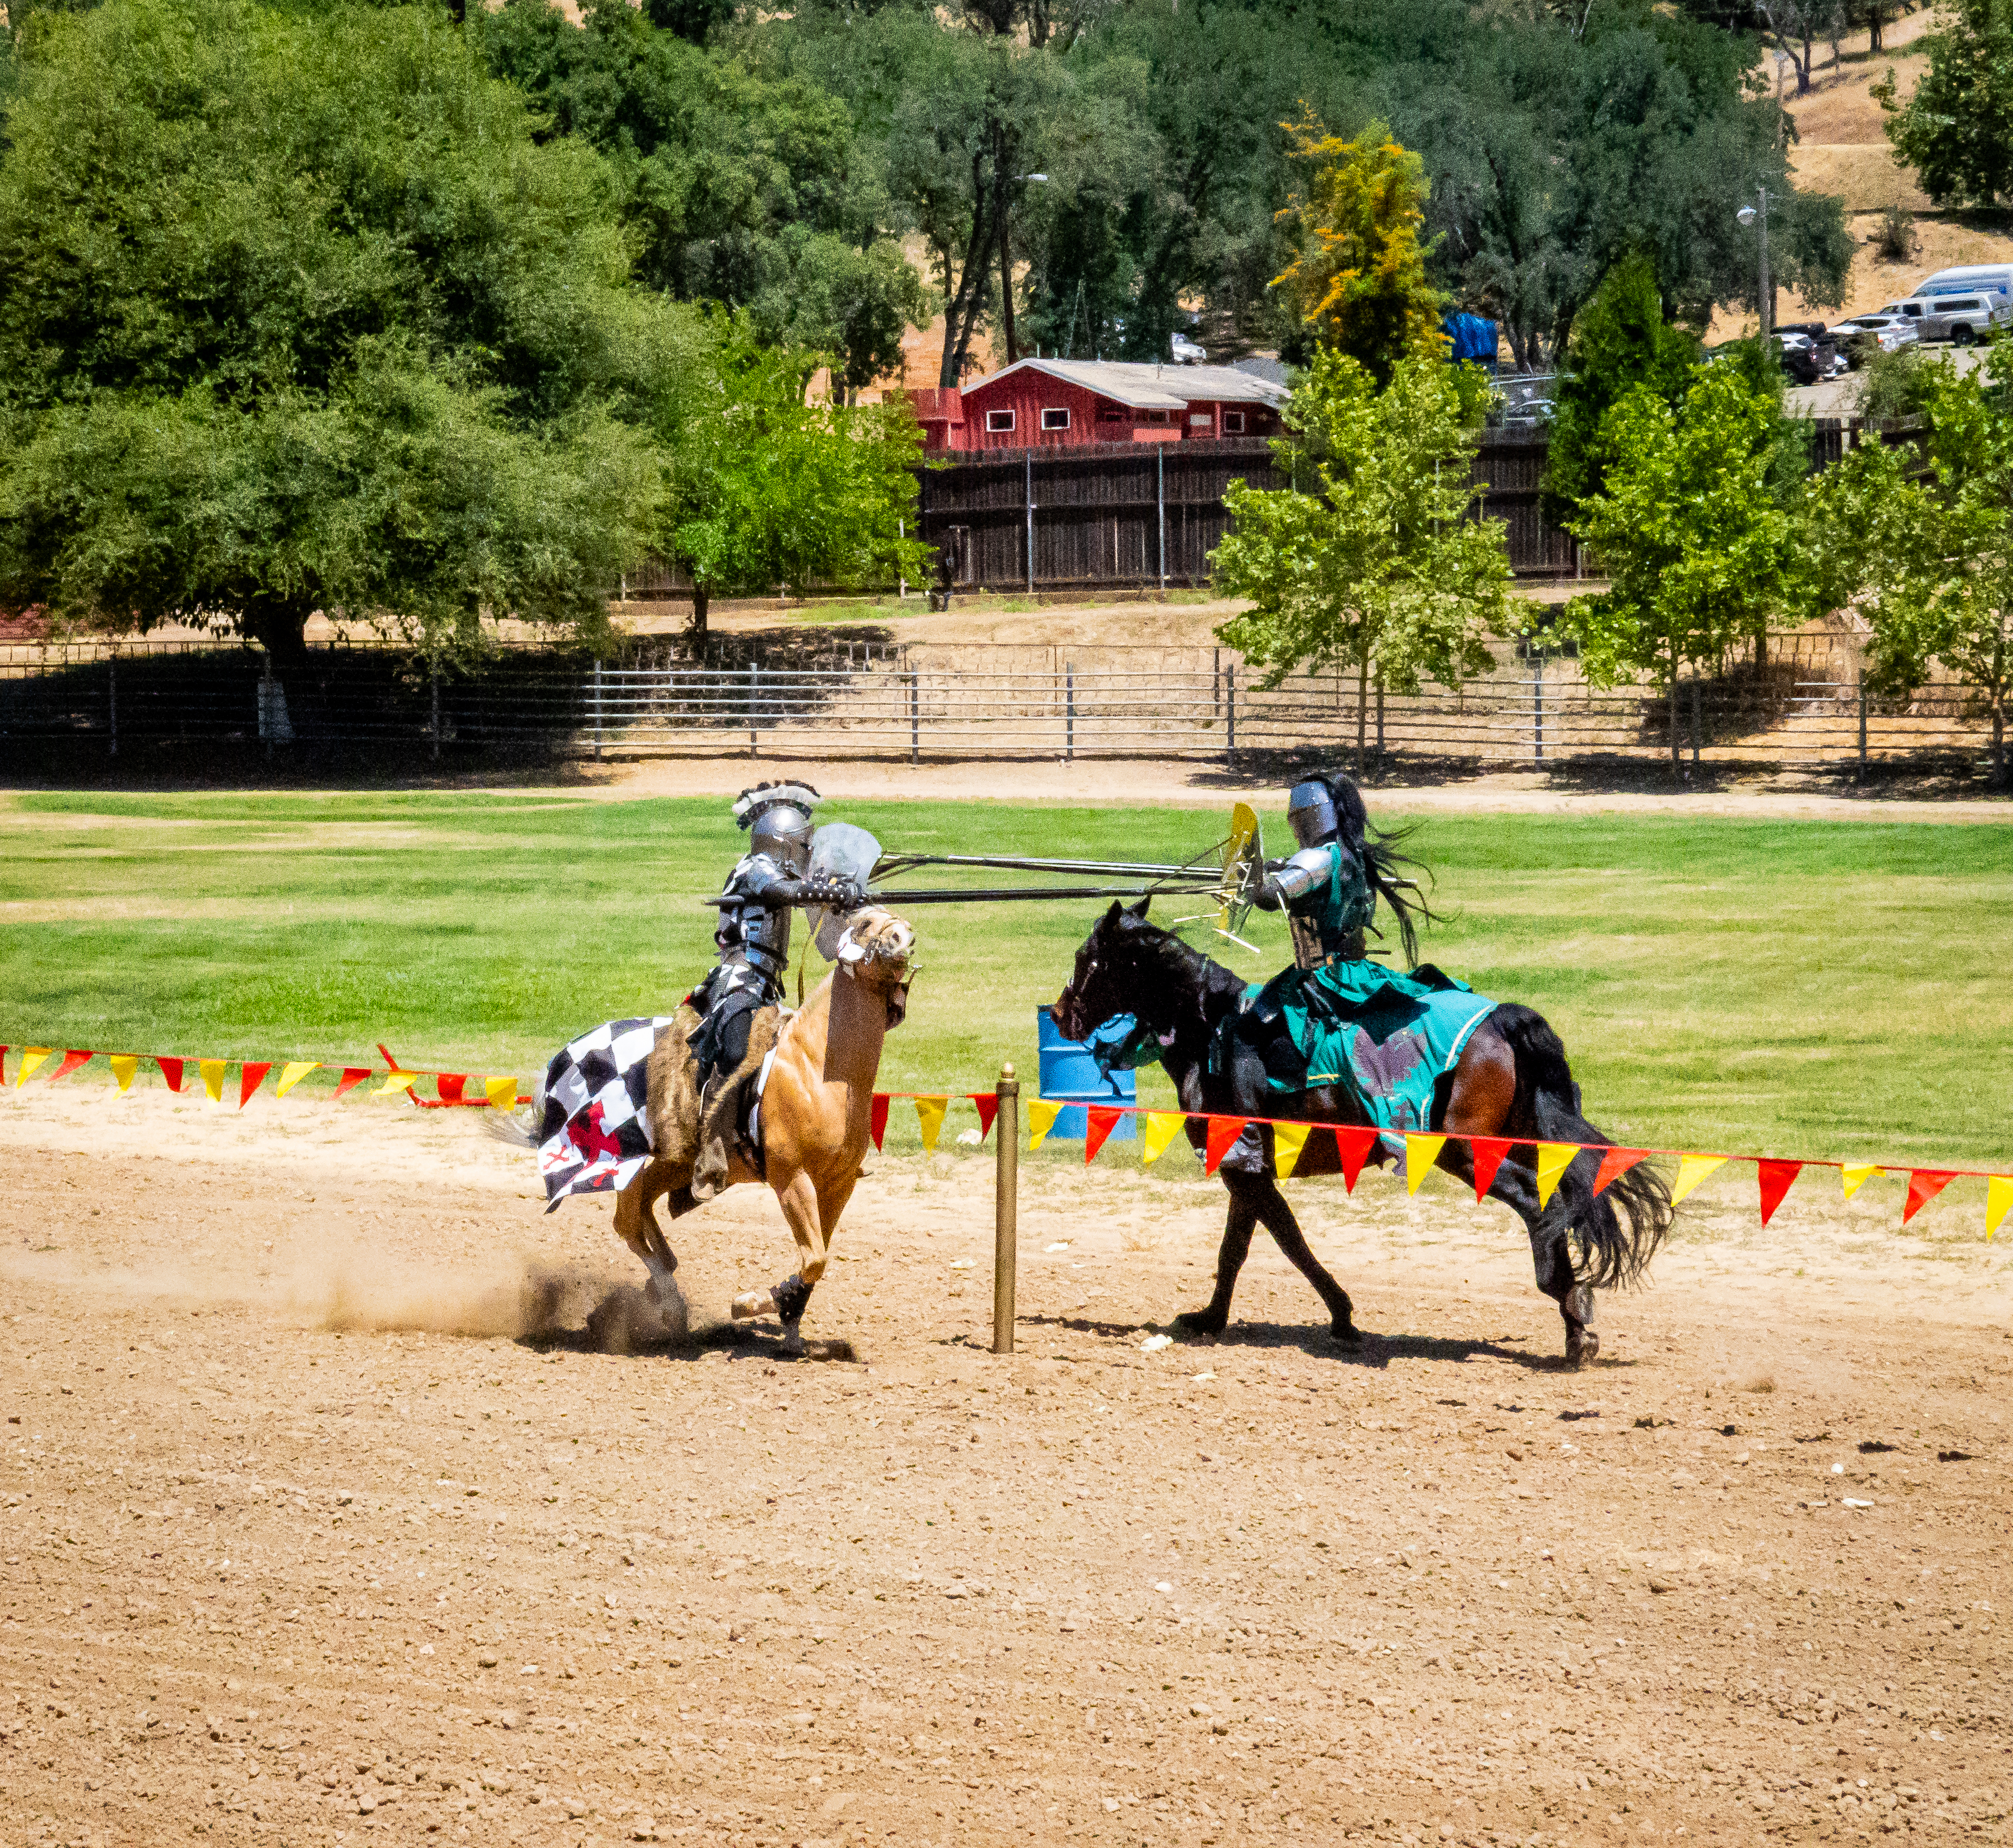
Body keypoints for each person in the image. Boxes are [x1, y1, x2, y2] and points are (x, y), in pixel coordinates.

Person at [688, 781, 863, 1199]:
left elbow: (824, 938)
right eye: (805, 844)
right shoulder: (754, 868)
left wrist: (845, 898)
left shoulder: (786, 873)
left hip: (769, 988)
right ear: (784, 842)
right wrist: (828, 889)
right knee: (735, 1050)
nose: (809, 853)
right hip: (739, 982)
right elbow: (778, 890)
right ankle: (712, 1150)